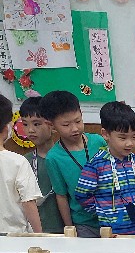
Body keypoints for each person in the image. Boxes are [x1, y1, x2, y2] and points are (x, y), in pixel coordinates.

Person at [74, 101, 135, 236]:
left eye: (134, 137)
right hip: (111, 234)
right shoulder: (96, 165)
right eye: (123, 137)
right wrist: (103, 212)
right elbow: (82, 195)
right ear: (105, 134)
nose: (130, 143)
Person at [41, 90, 106, 236]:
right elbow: (61, 195)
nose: (75, 129)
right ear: (51, 125)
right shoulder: (54, 157)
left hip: (110, 217)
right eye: (66, 125)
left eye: (78, 121)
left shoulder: (98, 141)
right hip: (84, 223)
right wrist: (70, 228)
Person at [19, 96, 63, 234]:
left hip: (66, 229)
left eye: (36, 124)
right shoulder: (24, 161)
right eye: (25, 124)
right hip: (37, 231)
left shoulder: (64, 157)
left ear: (52, 125)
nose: (30, 130)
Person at [0, 94, 42, 234]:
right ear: (7, 128)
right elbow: (28, 202)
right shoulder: (18, 162)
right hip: (15, 237)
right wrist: (40, 235)